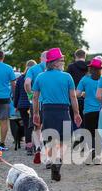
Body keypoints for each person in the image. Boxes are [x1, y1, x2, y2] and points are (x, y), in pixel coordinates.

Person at [32, 48, 82, 181]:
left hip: (47, 111)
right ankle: (58, 161)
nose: (63, 61)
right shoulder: (66, 77)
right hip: (63, 111)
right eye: (61, 59)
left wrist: (36, 113)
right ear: (54, 63)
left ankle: (53, 159)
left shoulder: (40, 77)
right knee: (64, 139)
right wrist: (76, 113)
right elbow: (73, 97)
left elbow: (35, 98)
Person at [76, 56, 102, 164]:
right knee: (99, 134)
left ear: (91, 69)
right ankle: (98, 157)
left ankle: (89, 156)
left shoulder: (85, 79)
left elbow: (77, 94)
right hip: (101, 111)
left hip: (88, 111)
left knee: (88, 133)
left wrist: (83, 94)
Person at [14, 60, 37, 155]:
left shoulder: (20, 78)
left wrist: (15, 105)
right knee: (35, 125)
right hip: (33, 104)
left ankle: (28, 145)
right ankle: (36, 145)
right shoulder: (35, 78)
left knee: (27, 125)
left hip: (22, 105)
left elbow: (17, 93)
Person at [67, 49, 89, 127]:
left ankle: (76, 137)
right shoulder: (89, 66)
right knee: (86, 121)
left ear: (76, 56)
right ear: (85, 56)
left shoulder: (71, 67)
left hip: (74, 97)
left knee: (74, 120)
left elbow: (67, 83)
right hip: (88, 97)